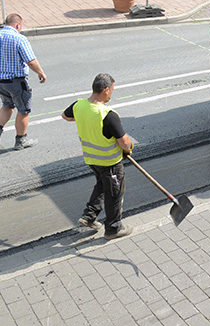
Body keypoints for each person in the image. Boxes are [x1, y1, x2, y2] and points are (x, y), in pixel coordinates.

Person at [62, 73, 134, 239]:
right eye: (112, 91)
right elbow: (124, 143)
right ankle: (114, 228)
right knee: (114, 194)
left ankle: (89, 216)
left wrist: (83, 119)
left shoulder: (79, 106)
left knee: (102, 186)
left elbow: (65, 116)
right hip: (110, 163)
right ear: (106, 90)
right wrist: (129, 148)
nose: (112, 94)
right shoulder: (108, 115)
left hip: (92, 160)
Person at [0, 13, 46, 150]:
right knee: (23, 110)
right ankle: (21, 140)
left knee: (7, 106)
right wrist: (41, 73)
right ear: (17, 25)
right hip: (16, 82)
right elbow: (30, 61)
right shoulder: (19, 39)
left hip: (1, 82)